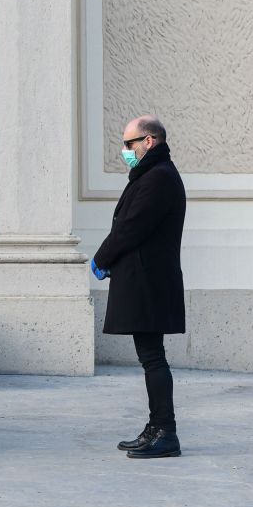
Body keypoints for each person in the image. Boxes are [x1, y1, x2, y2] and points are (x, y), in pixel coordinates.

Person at [91, 115, 186, 460]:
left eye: (129, 144)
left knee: (153, 358)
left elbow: (132, 226)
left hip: (150, 283)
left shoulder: (158, 178)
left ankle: (165, 432)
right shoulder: (154, 175)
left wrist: (102, 257)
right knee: (151, 357)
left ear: (150, 141)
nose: (125, 151)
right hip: (147, 280)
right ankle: (158, 427)